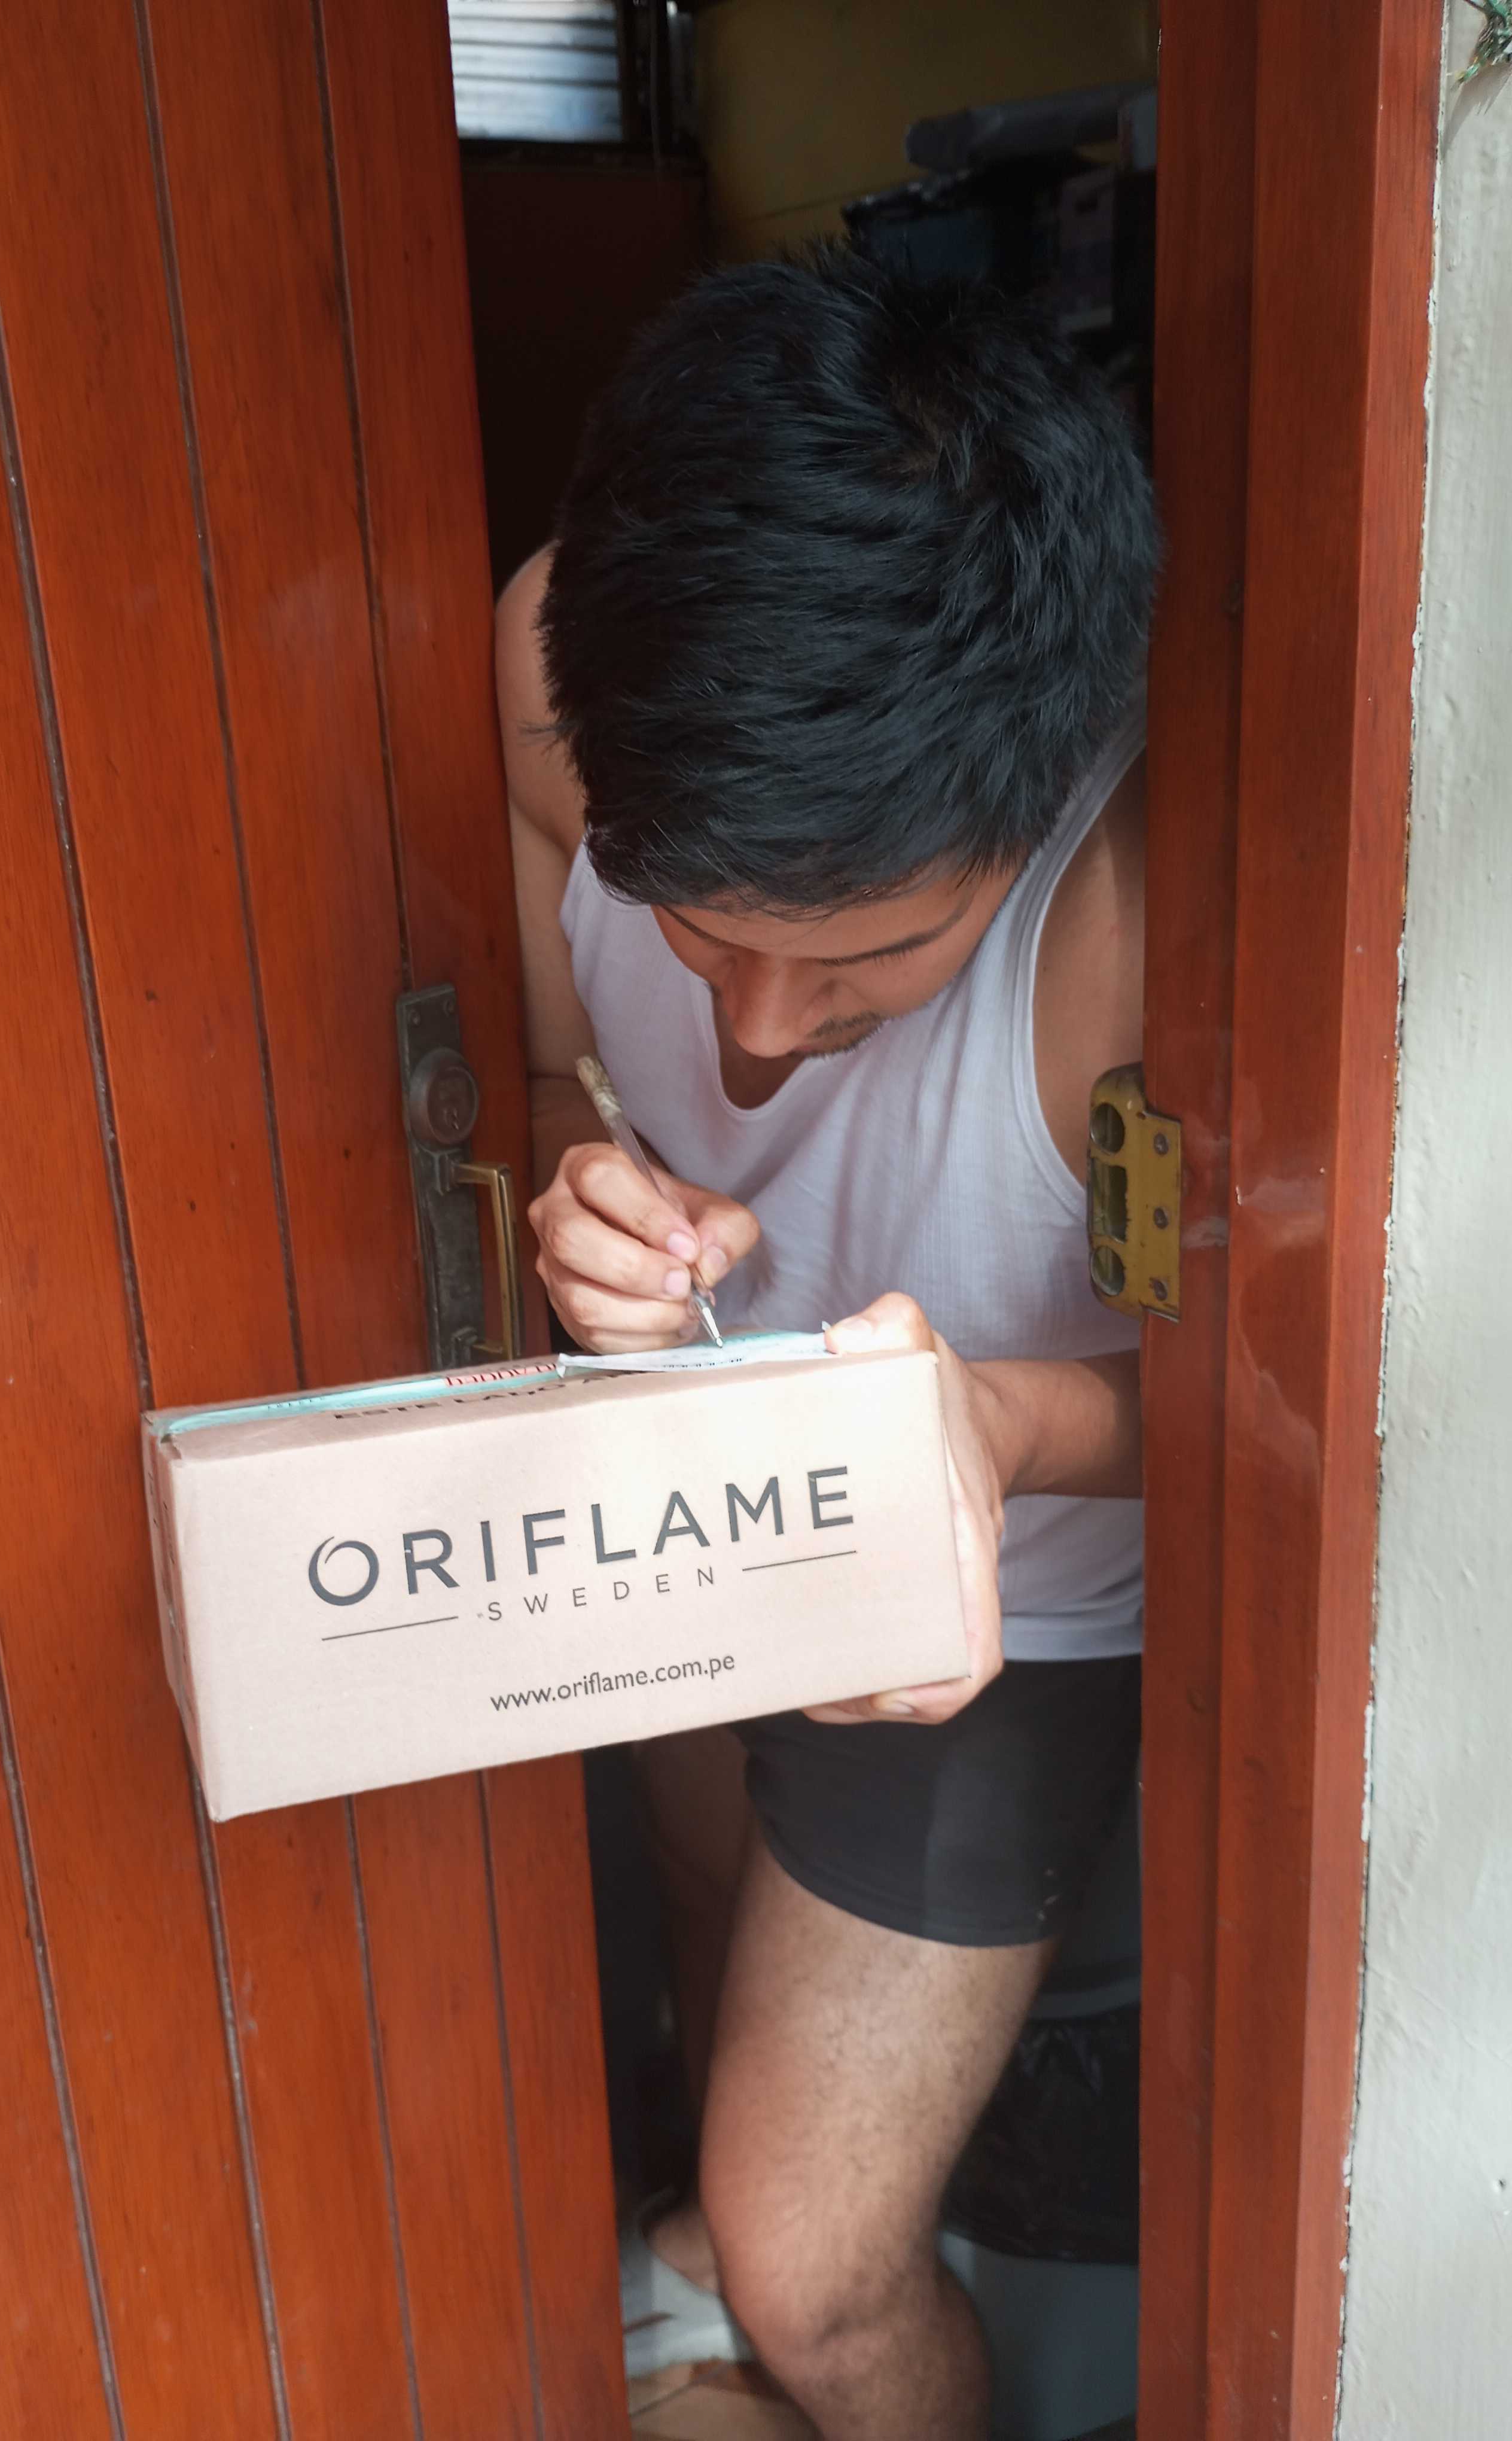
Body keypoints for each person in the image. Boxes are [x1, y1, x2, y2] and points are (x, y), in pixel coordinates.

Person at [498, 248, 1157, 2441]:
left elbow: (1303, 1413)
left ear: (1034, 811)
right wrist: (582, 1173)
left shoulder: (1144, 916)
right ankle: (697, 2281)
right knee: (703, 1915)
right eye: (698, 934)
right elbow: (542, 1052)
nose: (759, 1038)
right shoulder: (562, 657)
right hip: (693, 1504)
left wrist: (997, 1420)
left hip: (993, 1609)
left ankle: (749, 2303)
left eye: (872, 959)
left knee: (819, 2273)